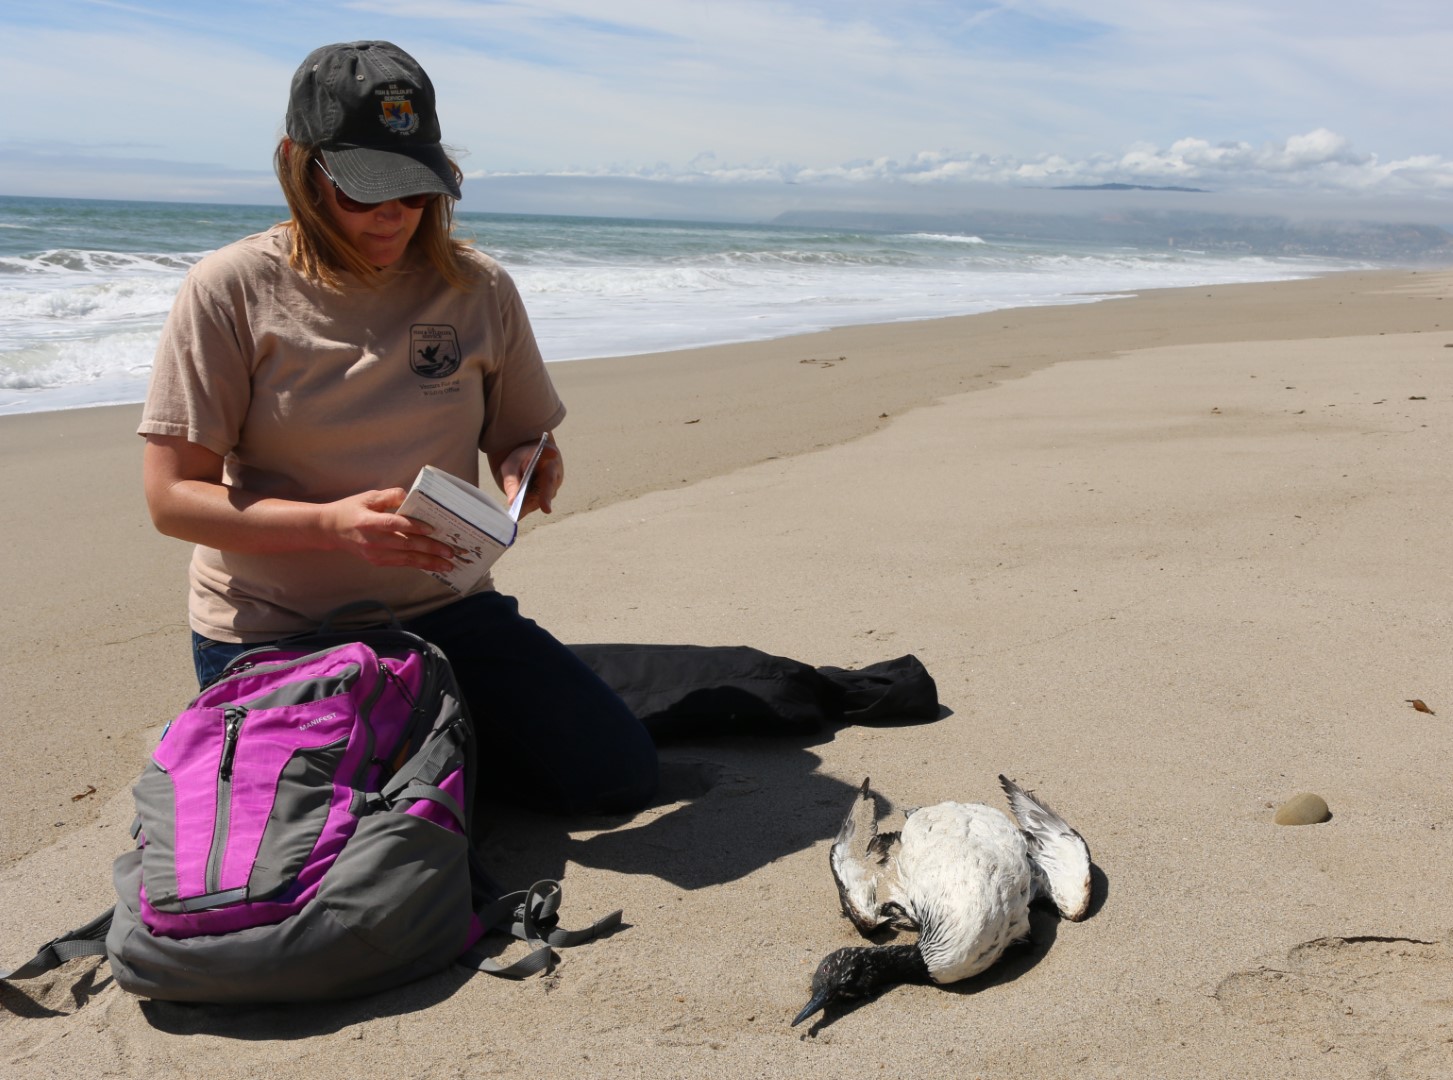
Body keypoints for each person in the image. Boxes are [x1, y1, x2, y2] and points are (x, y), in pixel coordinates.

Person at [138, 40, 657, 815]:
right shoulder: (231, 289)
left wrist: (528, 464)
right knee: (345, 829)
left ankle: (438, 748)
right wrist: (328, 525)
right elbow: (173, 498)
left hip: (445, 612)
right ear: (298, 165)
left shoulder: (477, 287)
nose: (393, 217)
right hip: (276, 632)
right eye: (362, 192)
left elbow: (523, 436)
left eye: (413, 193)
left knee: (617, 778)